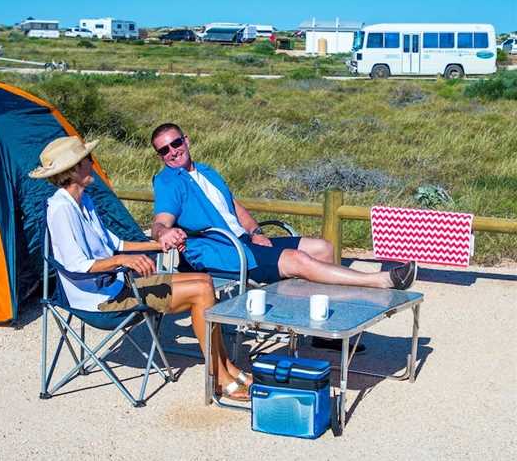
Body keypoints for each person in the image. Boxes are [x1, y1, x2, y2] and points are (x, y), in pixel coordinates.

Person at [29, 135, 252, 400]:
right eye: (88, 159)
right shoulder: (60, 209)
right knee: (200, 293)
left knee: (204, 281)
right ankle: (219, 378)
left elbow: (116, 243)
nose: (93, 163)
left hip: (117, 285)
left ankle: (226, 367)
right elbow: (75, 264)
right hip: (98, 301)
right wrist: (122, 261)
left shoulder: (84, 201)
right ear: (73, 169)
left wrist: (162, 245)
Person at [150, 122, 417, 292]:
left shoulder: (207, 171)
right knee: (297, 260)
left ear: (186, 140)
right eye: (164, 151)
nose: (172, 152)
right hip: (221, 252)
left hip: (245, 241)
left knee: (323, 247)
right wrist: (163, 232)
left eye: (175, 143)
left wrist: (256, 231)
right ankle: (380, 280)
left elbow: (233, 205)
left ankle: (320, 326)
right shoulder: (168, 182)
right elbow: (160, 220)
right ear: (160, 156)